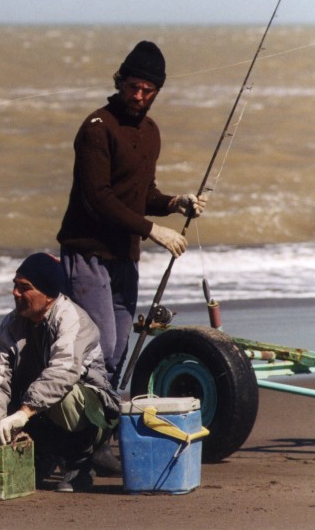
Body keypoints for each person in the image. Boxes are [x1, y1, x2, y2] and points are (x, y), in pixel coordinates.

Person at [56, 40, 207, 391]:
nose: (139, 96)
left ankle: (101, 427)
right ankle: (77, 430)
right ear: (119, 82)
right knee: (101, 346)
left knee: (119, 351)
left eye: (148, 90)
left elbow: (142, 194)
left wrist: (174, 203)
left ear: (156, 92)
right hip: (87, 253)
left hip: (125, 256)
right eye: (133, 87)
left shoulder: (151, 132)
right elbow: (98, 198)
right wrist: (152, 229)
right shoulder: (97, 127)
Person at [0, 253, 120, 493]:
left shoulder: (72, 319)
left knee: (64, 398)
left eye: (24, 288)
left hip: (91, 412)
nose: (15, 293)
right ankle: (42, 454)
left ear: (48, 296)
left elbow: (62, 373)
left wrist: (24, 413)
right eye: (15, 285)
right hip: (39, 406)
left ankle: (80, 463)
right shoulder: (13, 324)